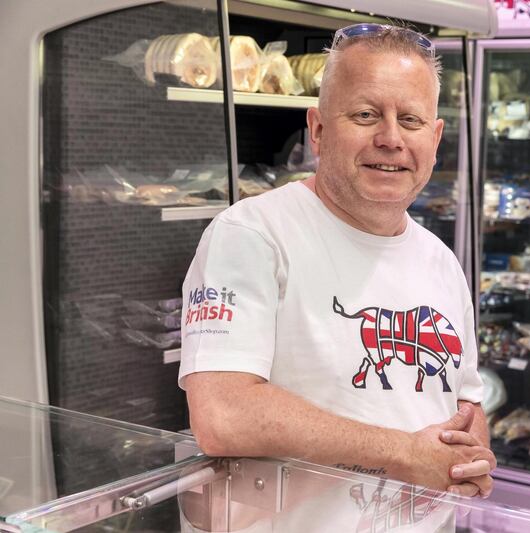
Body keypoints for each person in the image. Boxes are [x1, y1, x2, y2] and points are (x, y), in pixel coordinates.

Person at [179, 23, 495, 499]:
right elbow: (223, 415)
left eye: (410, 121)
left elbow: (465, 402)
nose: (391, 139)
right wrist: (405, 453)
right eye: (366, 114)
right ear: (319, 130)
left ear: (435, 138)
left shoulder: (441, 262)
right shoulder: (252, 236)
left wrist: (467, 461)